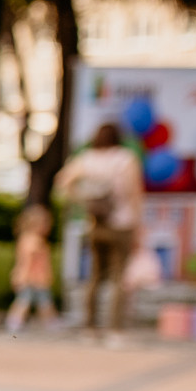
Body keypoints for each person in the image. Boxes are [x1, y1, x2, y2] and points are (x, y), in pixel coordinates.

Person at [57, 123, 145, 340]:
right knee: (117, 277)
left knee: (95, 276)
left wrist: (81, 200)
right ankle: (114, 329)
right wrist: (138, 224)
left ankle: (90, 327)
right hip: (121, 223)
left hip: (95, 223)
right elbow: (135, 194)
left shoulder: (86, 158)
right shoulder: (125, 159)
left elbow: (63, 182)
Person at [5, 204, 58, 333]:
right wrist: (22, 276)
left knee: (35, 301)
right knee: (32, 302)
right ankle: (16, 321)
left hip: (33, 278)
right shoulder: (35, 241)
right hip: (34, 279)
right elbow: (28, 262)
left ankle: (15, 321)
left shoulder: (25, 239)